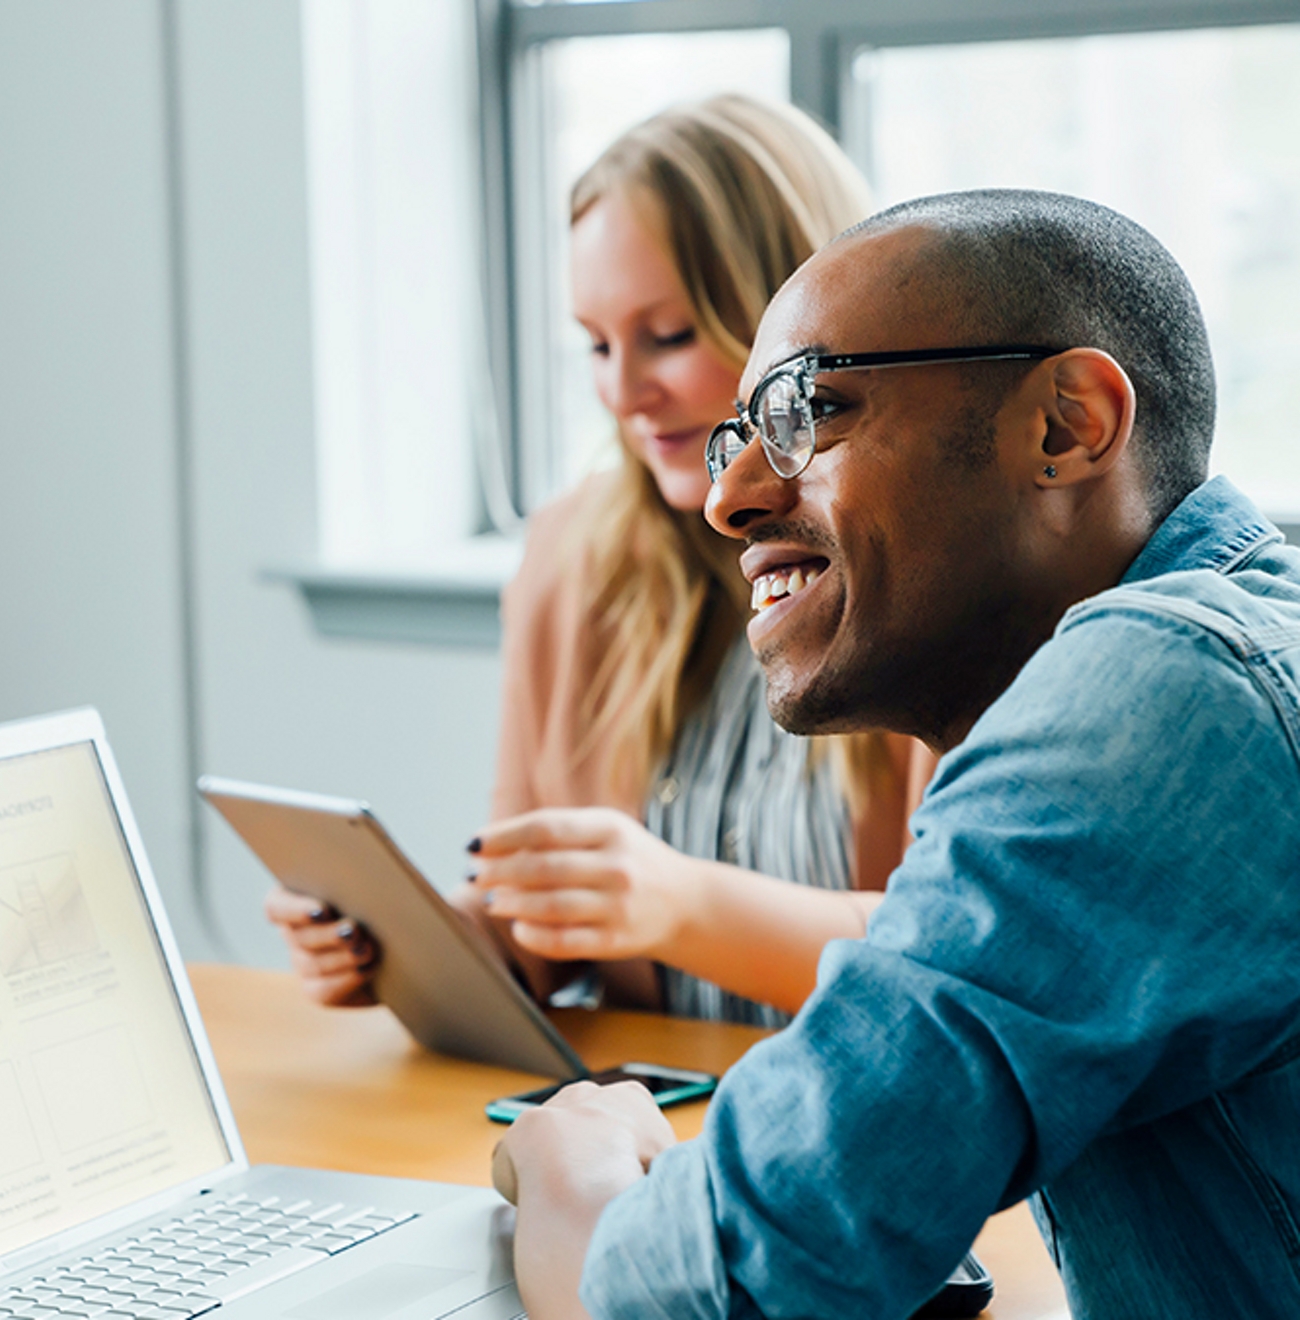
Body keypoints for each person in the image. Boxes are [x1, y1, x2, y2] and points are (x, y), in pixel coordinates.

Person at [492, 188, 1300, 1319]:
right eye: (736, 437)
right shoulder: (1229, 651)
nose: (728, 499)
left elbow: (702, 1299)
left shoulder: (1163, 693)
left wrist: (576, 1165)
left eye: (806, 411)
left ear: (1067, 424)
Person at [268, 95, 933, 1025]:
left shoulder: (939, 561)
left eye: (668, 336)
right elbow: (537, 933)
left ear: (794, 320)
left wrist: (680, 905)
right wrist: (402, 942)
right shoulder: (571, 558)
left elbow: (963, 965)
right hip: (661, 1115)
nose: (622, 391)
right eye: (594, 344)